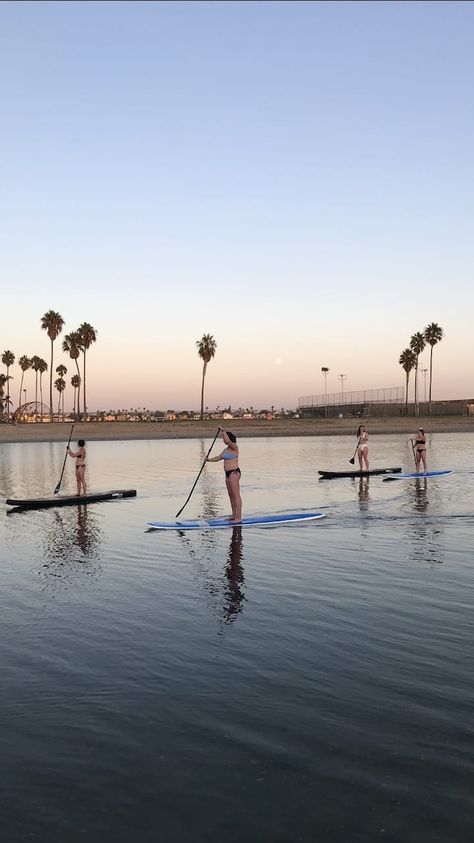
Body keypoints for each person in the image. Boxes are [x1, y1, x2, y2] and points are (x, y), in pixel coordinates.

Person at [206, 429, 242, 522]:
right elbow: (218, 458)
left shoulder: (235, 447)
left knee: (236, 495)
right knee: (231, 495)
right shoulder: (225, 450)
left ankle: (238, 517)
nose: (223, 440)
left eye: (223, 438)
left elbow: (228, 441)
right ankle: (234, 515)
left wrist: (223, 430)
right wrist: (208, 460)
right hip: (227, 474)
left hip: (234, 473)